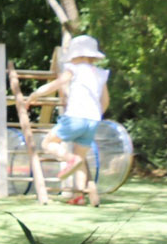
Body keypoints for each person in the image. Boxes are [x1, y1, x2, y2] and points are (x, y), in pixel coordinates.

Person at [20, 34, 109, 207]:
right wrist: (96, 115)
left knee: (48, 143)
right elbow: (105, 101)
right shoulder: (100, 74)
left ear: (77, 55)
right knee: (81, 157)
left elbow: (55, 85)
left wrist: (34, 95)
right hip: (93, 120)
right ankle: (79, 195)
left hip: (75, 116)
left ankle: (69, 159)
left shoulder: (73, 69)